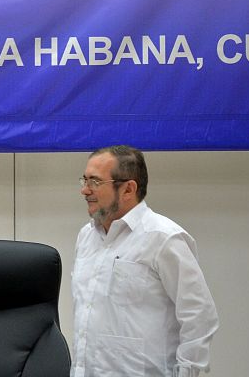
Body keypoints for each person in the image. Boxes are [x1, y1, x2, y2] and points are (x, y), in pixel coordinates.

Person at [70, 145, 219, 377]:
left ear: (128, 189)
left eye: (96, 182)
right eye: (84, 180)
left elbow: (199, 315)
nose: (85, 190)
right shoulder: (86, 237)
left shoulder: (163, 238)